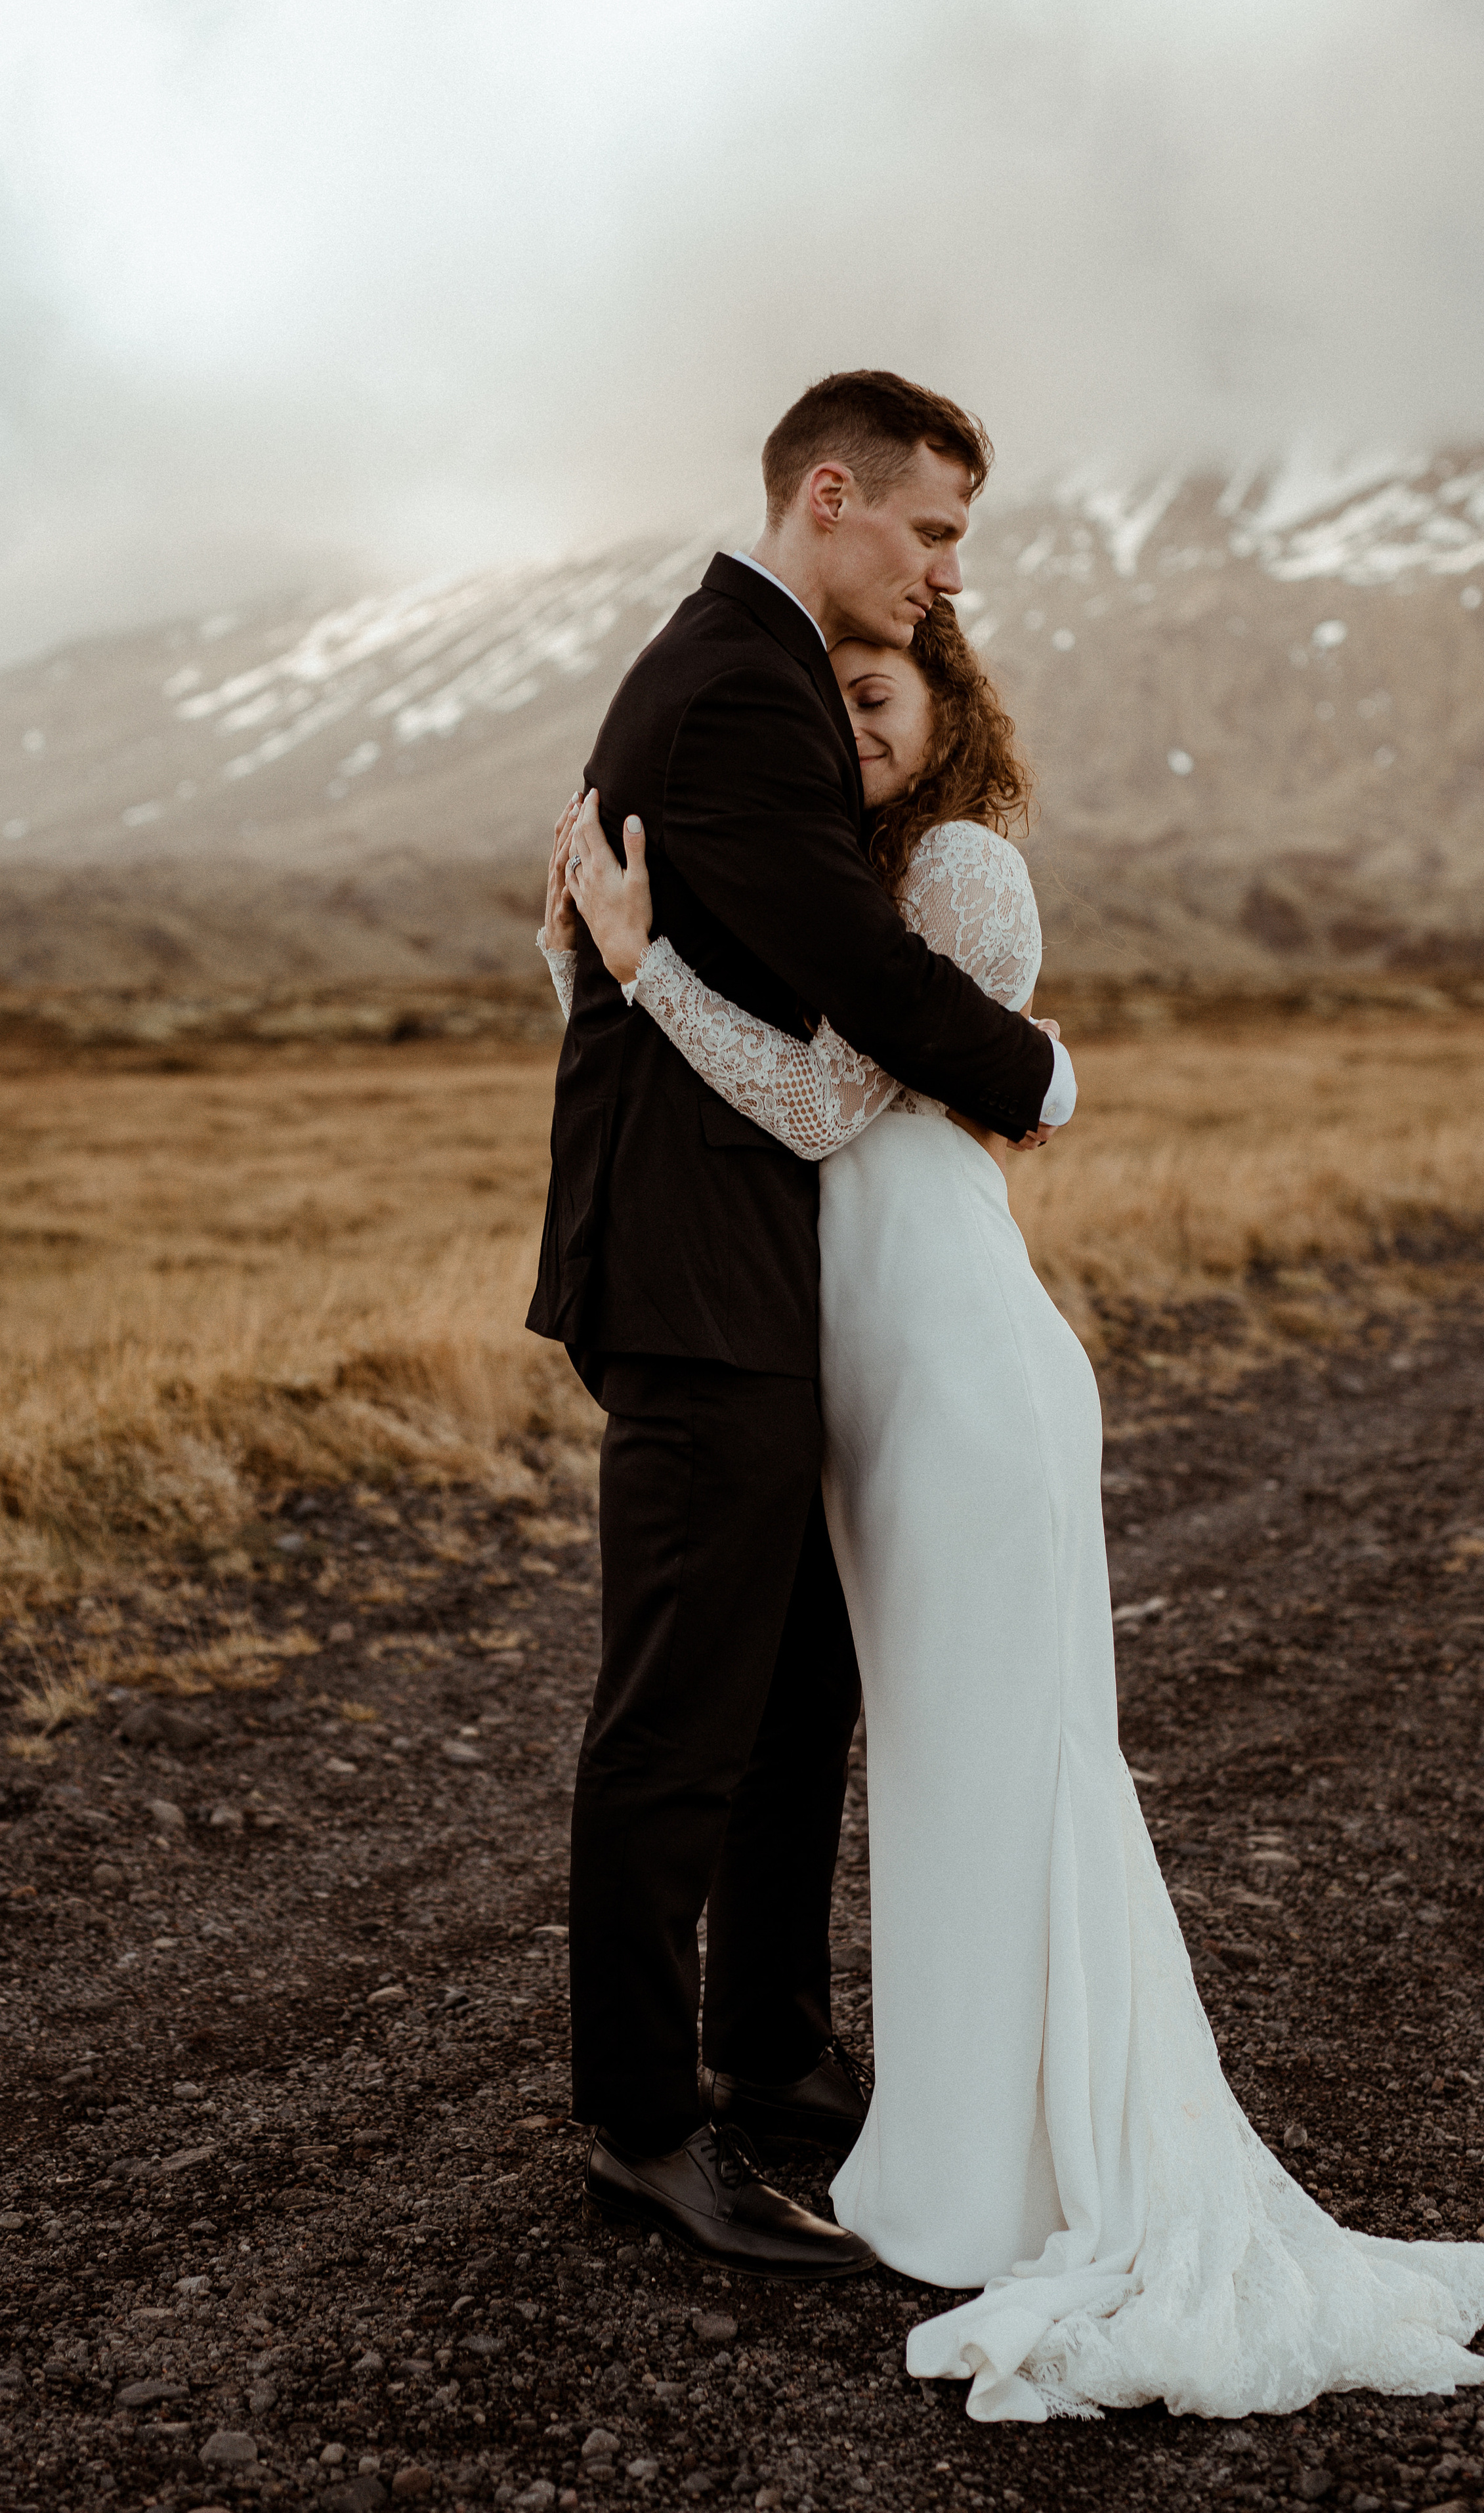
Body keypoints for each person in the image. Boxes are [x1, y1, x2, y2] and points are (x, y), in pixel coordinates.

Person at [551, 599, 1484, 2421]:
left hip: (965, 1388)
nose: (844, 732)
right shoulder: (808, 889)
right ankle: (923, 2103)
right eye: (822, 705)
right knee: (884, 1747)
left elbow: (828, 1109)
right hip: (858, 1381)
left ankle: (1025, 2151)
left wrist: (639, 965)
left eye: (874, 699)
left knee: (997, 1755)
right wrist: (593, 962)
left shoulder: (963, 871)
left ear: (948, 712)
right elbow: (700, 1091)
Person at [525, 371, 1078, 2282]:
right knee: (682, 1717)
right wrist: (1034, 1073)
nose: (943, 575)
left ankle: (770, 2062)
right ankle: (642, 2123)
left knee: (784, 1705)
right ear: (830, 496)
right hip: (697, 1285)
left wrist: (609, 960)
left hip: (768, 1280)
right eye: (930, 531)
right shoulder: (743, 682)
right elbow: (856, 981)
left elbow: (751, 956)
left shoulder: (738, 674)